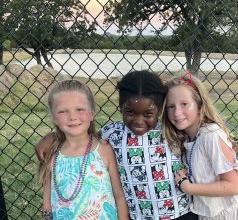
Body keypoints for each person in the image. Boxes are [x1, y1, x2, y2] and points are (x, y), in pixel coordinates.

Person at [36, 71, 197, 220]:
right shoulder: (113, 133)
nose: (139, 121)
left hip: (180, 213)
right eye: (130, 112)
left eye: (148, 114)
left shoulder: (171, 130)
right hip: (139, 216)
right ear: (120, 106)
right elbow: (81, 135)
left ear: (160, 109)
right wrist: (53, 137)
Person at [162, 72, 238, 220]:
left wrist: (188, 187)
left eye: (184, 104)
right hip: (206, 215)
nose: (177, 113)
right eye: (171, 106)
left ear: (199, 104)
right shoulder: (189, 138)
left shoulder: (211, 135)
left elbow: (233, 186)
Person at [37, 79, 128, 220]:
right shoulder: (52, 153)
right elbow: (47, 203)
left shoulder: (103, 149)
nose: (72, 117)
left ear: (92, 113)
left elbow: (119, 195)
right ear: (54, 118)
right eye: (63, 111)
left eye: (79, 109)